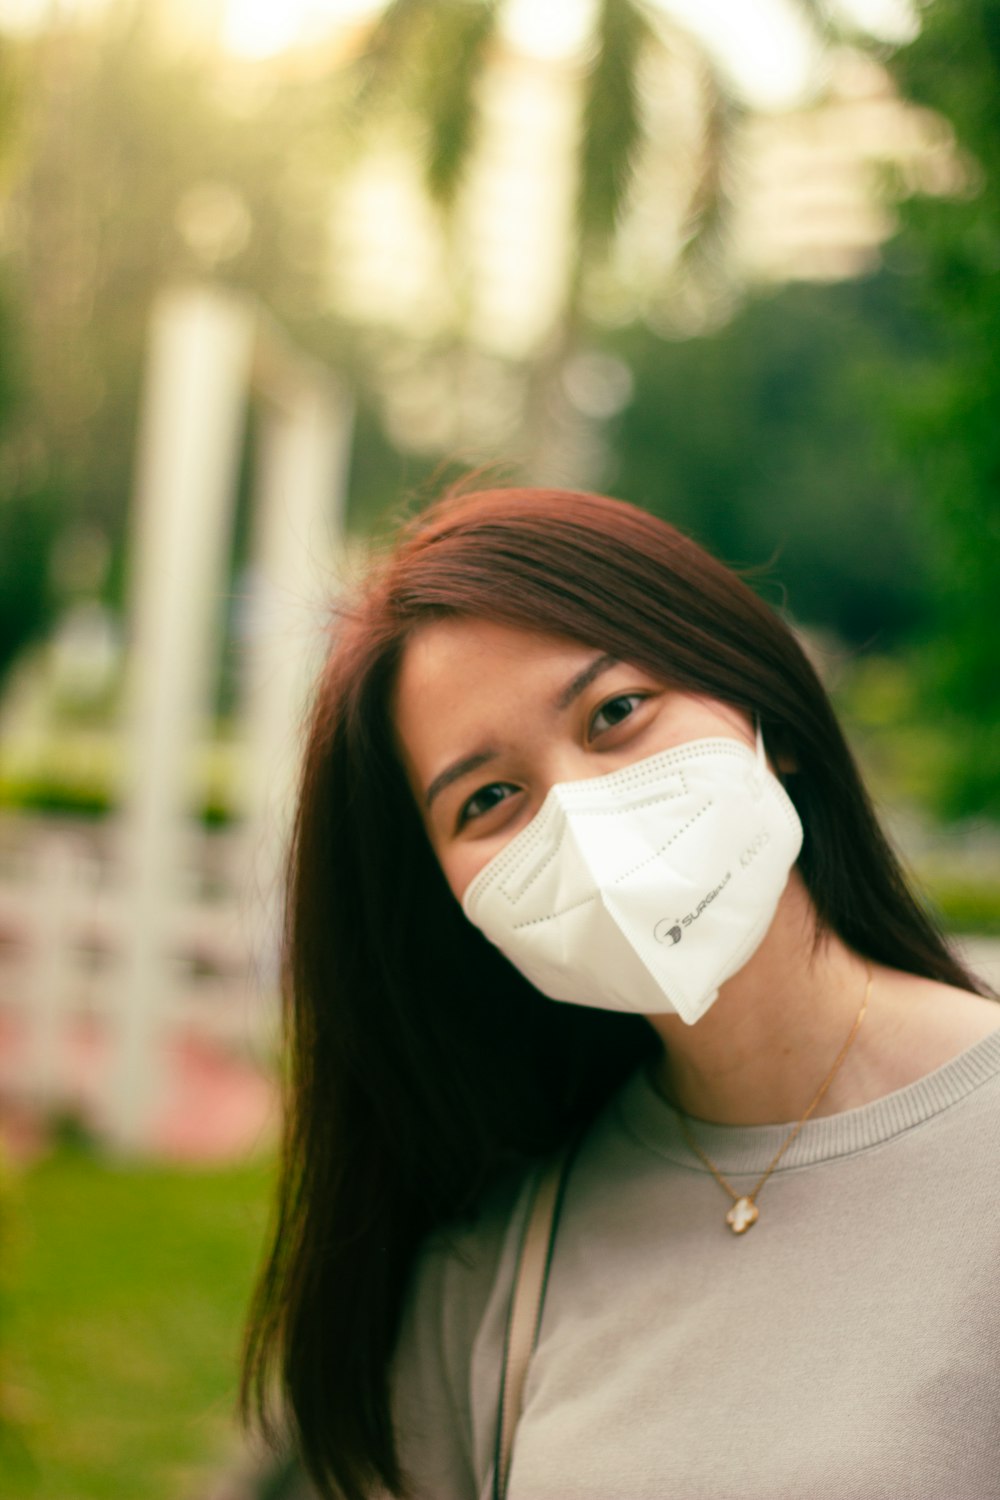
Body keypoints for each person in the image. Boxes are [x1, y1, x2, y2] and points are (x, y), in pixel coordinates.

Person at [242, 486, 1000, 1500]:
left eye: (615, 714)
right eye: (490, 799)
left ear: (757, 707)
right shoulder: (493, 1268)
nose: (587, 823)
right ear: (450, 903)